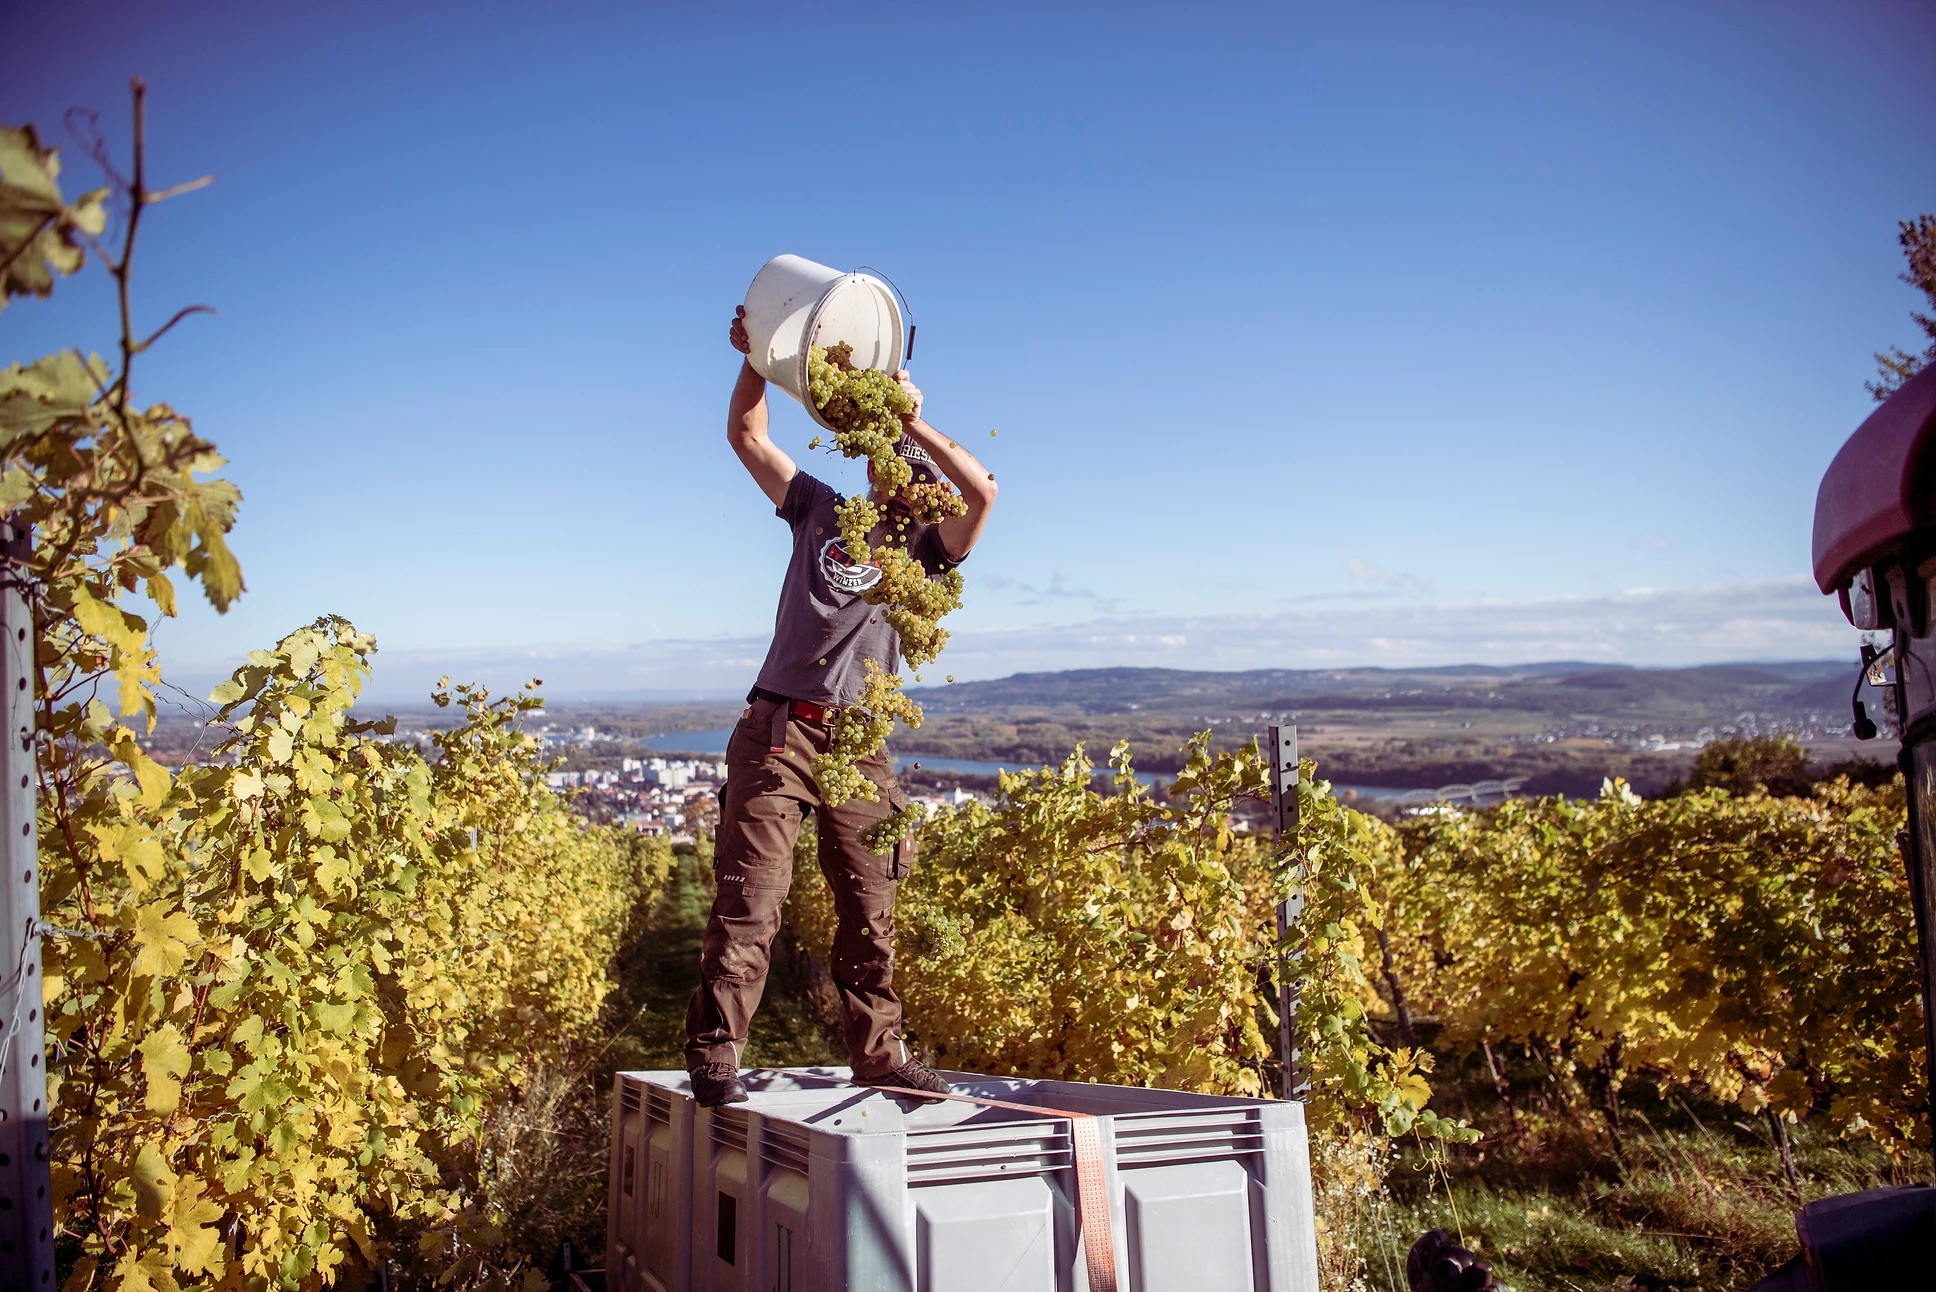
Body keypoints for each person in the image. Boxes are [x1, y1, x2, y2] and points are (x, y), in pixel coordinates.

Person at [683, 305, 998, 1107]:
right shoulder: (820, 508)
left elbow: (983, 492)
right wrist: (757, 357)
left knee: (870, 909)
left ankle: (880, 1056)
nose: (901, 474)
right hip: (779, 730)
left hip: (860, 746)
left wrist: (911, 418)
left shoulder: (929, 553)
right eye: (888, 456)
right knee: (752, 899)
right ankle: (716, 1057)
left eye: (912, 466)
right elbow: (747, 436)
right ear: (870, 465)